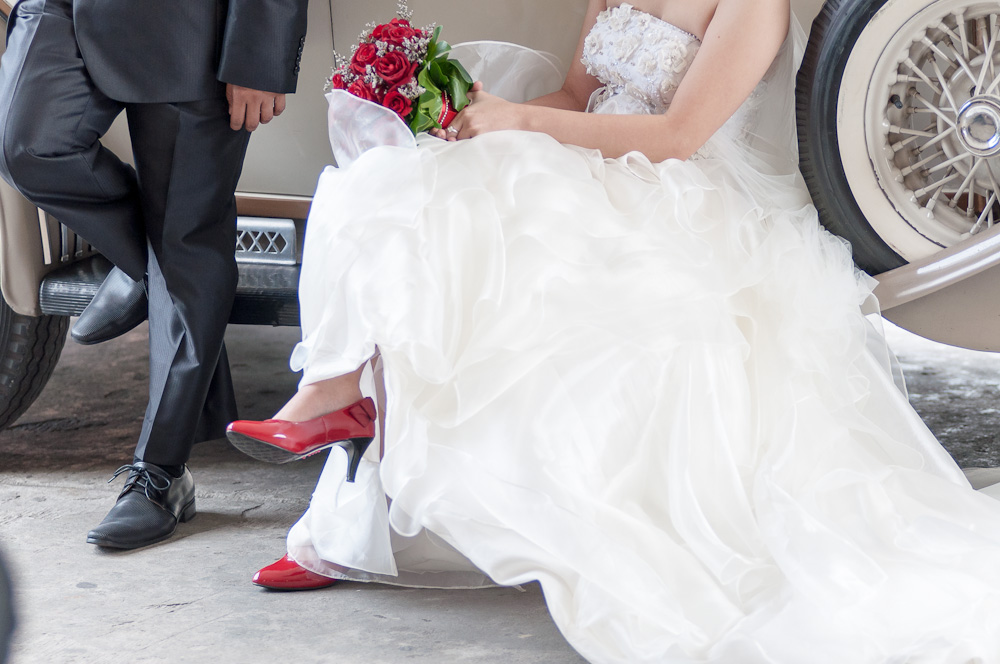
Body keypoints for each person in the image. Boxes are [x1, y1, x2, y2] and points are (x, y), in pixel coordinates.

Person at [228, 0, 1000, 660]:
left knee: (512, 243)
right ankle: (339, 421)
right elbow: (575, 94)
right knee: (404, 179)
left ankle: (348, 445)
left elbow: (679, 135)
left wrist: (519, 122)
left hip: (679, 193)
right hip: (582, 160)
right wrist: (476, 125)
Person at [0, 0, 308, 549]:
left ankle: (161, 474)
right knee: (24, 146)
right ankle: (148, 267)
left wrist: (260, 50)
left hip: (196, 22)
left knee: (185, 239)